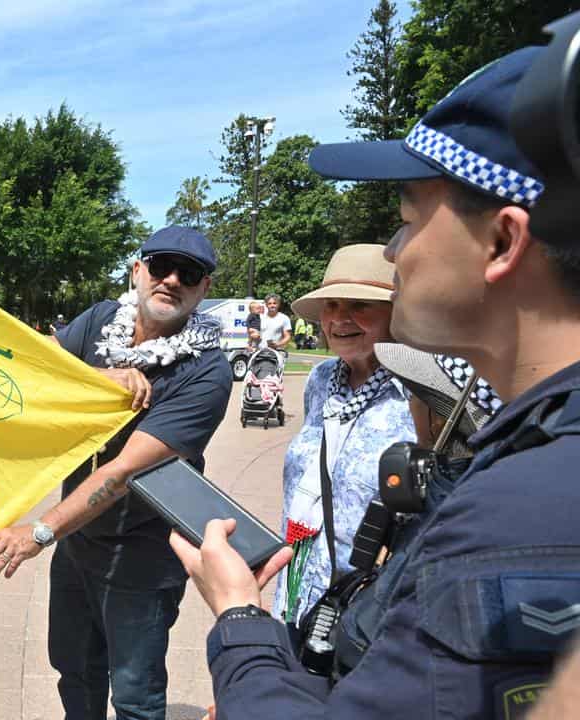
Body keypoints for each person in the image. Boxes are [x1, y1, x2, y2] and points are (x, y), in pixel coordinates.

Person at [170, 45, 580, 719]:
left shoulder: (515, 513)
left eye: (411, 218)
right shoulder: (525, 455)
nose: (395, 252)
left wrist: (239, 623)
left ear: (504, 242)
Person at [0, 226, 233, 720]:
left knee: (135, 695)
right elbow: (32, 366)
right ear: (138, 271)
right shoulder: (100, 321)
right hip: (79, 544)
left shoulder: (207, 371)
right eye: (160, 266)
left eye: (190, 274)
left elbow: (122, 473)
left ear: (204, 289)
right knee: (73, 670)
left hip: (142, 556)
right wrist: (99, 377)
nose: (172, 280)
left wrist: (38, 532)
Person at [270, 244, 414, 627]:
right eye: (331, 305)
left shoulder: (421, 391)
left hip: (369, 603)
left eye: (359, 305)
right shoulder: (320, 381)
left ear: (397, 313)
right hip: (300, 584)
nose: (340, 318)